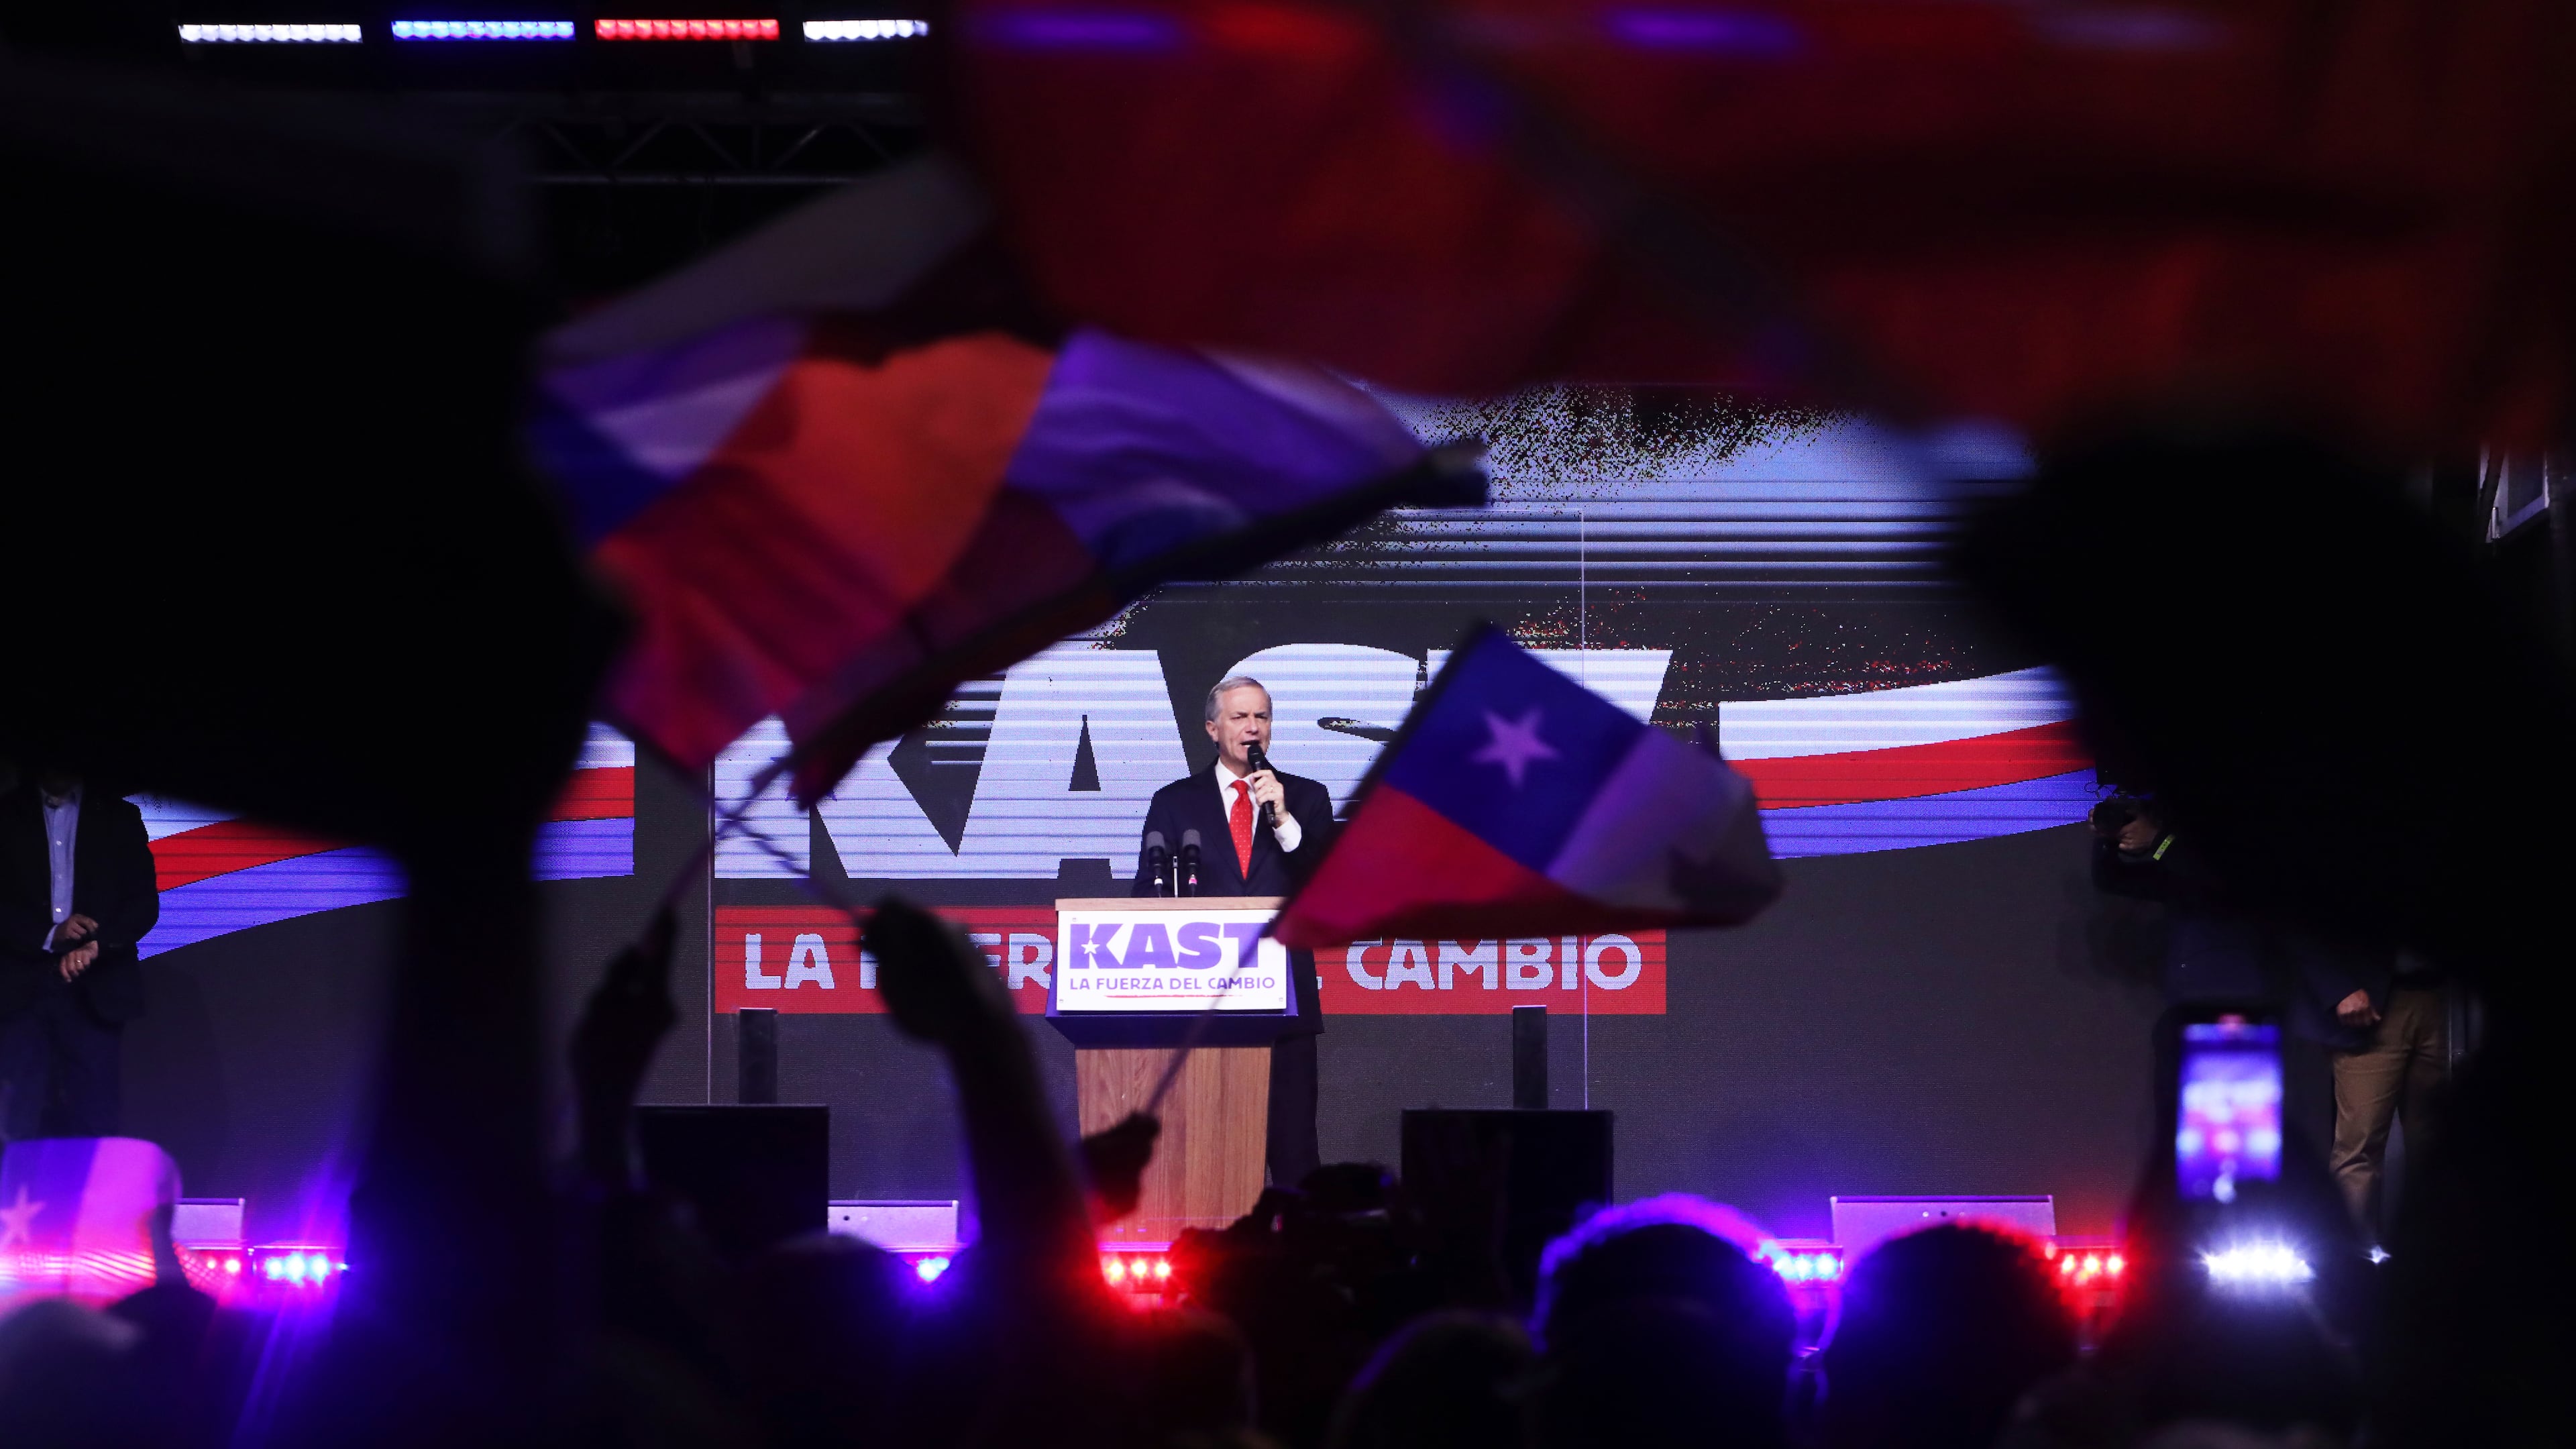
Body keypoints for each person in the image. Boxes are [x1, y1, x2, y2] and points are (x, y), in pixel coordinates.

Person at [1132, 676, 1336, 1187]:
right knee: (1206, 1158)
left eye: (1262, 717)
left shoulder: (1307, 799)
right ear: (1212, 728)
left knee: (1293, 1157)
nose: (1253, 728)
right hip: (1202, 1007)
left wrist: (1284, 819)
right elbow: (1145, 898)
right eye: (1240, 717)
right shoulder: (1176, 804)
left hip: (1284, 1005)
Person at [0, 767, 158, 1139]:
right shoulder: (5, 815)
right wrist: (49, 934)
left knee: (95, 1116)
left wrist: (96, 945)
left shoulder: (119, 816)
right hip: (19, 991)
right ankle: (16, 1199)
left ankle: (88, 1198)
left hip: (97, 990)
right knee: (17, 1119)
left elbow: (143, 904)